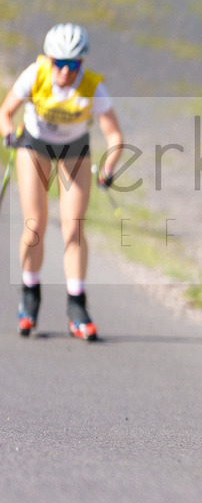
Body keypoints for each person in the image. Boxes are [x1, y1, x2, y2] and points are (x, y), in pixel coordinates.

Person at [0, 23, 124, 341]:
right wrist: (9, 133)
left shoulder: (93, 87)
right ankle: (30, 295)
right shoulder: (35, 74)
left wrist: (108, 167)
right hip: (35, 146)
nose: (66, 73)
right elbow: (6, 112)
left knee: (74, 228)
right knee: (35, 224)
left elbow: (115, 136)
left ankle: (77, 305)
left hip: (74, 151)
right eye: (60, 64)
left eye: (73, 65)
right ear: (50, 60)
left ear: (82, 64)